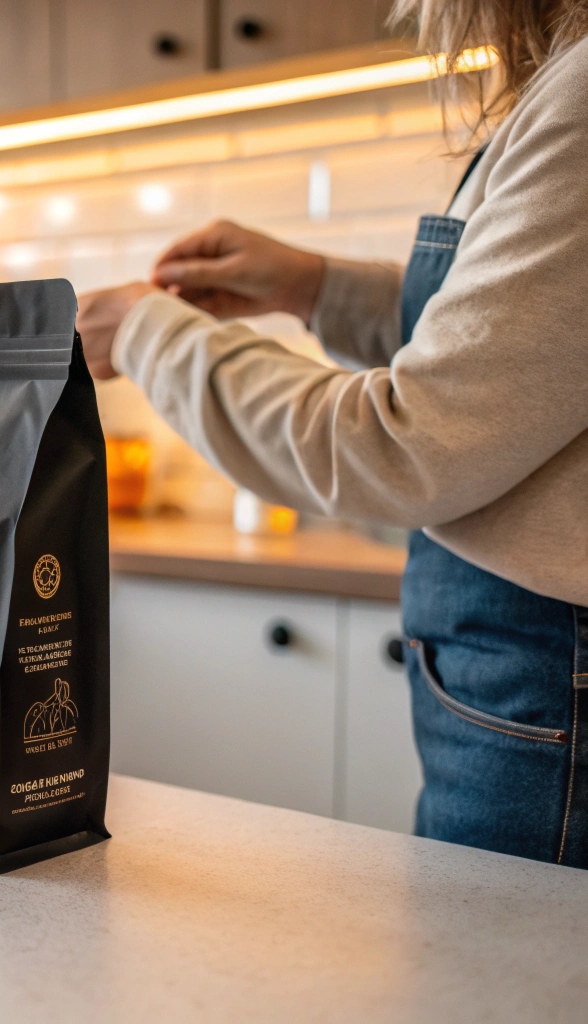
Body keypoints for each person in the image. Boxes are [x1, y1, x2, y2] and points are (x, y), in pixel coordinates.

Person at [75, 0, 588, 867]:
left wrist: (145, 330)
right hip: (525, 672)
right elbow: (523, 348)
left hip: (547, 677)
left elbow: (404, 446)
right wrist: (311, 286)